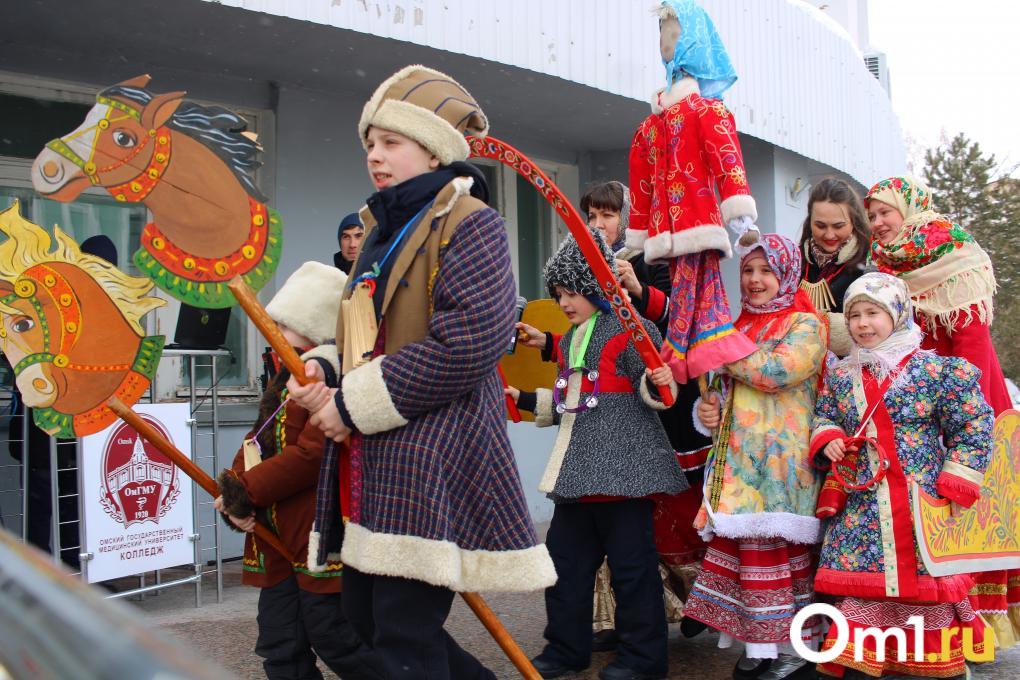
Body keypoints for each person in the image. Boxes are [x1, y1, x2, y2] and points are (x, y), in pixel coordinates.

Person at [285, 65, 556, 680]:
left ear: (433, 149)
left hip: (433, 454)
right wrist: (324, 368)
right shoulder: (380, 229)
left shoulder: (473, 223)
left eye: (391, 142)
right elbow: (363, 336)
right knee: (366, 620)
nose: (375, 156)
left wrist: (349, 404)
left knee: (404, 638)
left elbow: (469, 343)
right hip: (373, 458)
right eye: (370, 144)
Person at [508, 226, 687, 680]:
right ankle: (566, 649)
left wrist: (657, 380)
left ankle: (643, 660)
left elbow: (655, 392)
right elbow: (572, 400)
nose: (564, 302)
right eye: (559, 293)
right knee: (563, 566)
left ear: (596, 289)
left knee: (633, 572)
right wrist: (523, 398)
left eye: (573, 292)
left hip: (625, 475)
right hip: (578, 475)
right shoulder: (570, 339)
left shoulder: (633, 329)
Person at [810, 272, 993, 679]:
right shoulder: (841, 376)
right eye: (854, 314)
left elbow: (974, 423)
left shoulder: (935, 371)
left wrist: (955, 480)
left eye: (872, 312)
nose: (862, 323)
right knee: (865, 591)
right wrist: (831, 439)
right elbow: (824, 416)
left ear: (897, 313)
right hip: (863, 514)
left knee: (925, 591)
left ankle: (927, 664)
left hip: (920, 504)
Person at [866, 175, 1019, 649]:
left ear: (909, 208)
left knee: (969, 510)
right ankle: (929, 624)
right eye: (871, 216)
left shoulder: (954, 252)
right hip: (914, 404)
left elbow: (970, 342)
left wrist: (954, 413)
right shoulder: (885, 264)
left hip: (965, 400)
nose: (877, 223)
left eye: (885, 212)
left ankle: (975, 629)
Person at [214, 261, 382, 680]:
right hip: (278, 534)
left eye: (283, 325)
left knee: (335, 637)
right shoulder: (286, 377)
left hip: (317, 530)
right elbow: (258, 439)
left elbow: (311, 457)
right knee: (280, 642)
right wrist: (235, 489)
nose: (274, 333)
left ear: (312, 326)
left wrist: (245, 492)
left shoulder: (331, 378)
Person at [687, 233, 827, 680]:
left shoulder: (807, 325)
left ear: (786, 273)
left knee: (781, 557)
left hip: (783, 467)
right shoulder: (738, 326)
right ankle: (759, 644)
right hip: (738, 469)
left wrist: (717, 350)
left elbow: (774, 371)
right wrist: (707, 410)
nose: (755, 279)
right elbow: (719, 392)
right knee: (749, 557)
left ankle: (794, 649)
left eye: (766, 270)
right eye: (748, 270)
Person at [627, 0, 760, 383]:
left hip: (697, 221)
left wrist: (741, 218)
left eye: (673, 33)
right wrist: (638, 237)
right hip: (666, 232)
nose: (665, 42)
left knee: (699, 295)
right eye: (662, 34)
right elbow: (642, 187)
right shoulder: (649, 127)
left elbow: (727, 161)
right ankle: (693, 357)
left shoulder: (705, 111)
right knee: (695, 296)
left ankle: (684, 356)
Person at [798, 177, 870, 356]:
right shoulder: (795, 260)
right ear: (810, 221)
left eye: (838, 226)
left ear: (854, 221)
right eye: (820, 225)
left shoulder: (870, 264)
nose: (829, 234)